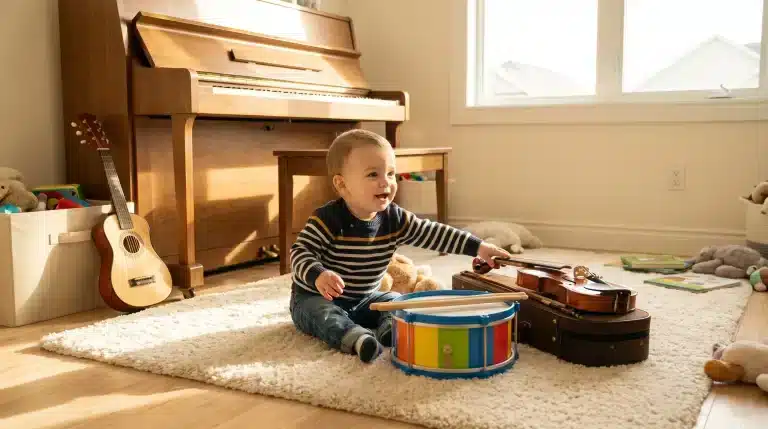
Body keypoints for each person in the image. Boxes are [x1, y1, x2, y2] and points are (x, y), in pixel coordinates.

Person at [288, 129, 513, 363]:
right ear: (342, 185)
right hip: (316, 297)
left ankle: (390, 330)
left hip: (366, 298)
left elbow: (433, 232)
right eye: (373, 174)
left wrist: (479, 248)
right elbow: (300, 253)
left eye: (391, 173)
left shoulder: (394, 219)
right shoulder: (328, 219)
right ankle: (355, 338)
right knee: (322, 315)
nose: (386, 182)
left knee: (397, 300)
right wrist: (319, 275)